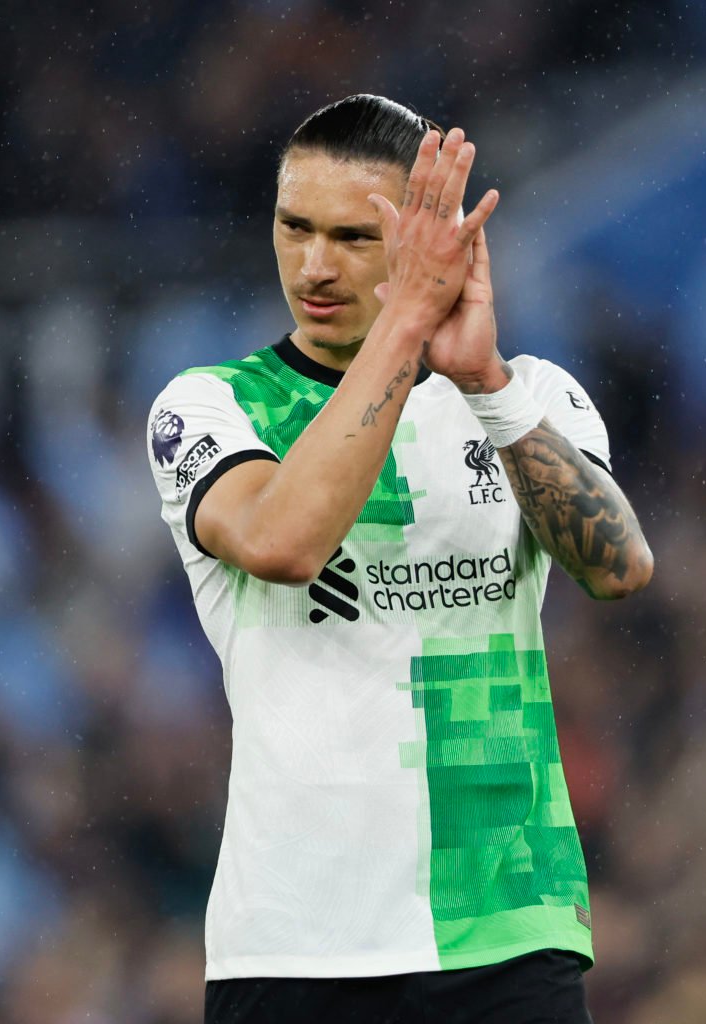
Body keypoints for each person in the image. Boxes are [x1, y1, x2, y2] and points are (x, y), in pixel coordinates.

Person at [145, 94, 654, 1024]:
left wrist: (485, 386)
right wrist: (405, 324)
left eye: (352, 234)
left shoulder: (530, 396)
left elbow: (619, 567)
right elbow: (284, 542)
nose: (315, 264)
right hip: (298, 942)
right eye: (294, 227)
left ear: (435, 241)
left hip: (506, 921)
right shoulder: (210, 405)